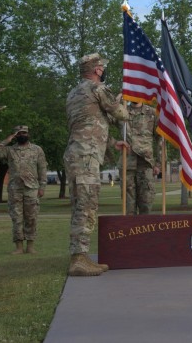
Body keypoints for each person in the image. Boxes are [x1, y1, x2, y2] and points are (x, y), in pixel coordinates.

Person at [64, 53, 129, 277]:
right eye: (102, 67)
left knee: (80, 205)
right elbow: (120, 114)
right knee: (87, 205)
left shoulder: (74, 93)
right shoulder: (97, 89)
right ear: (98, 70)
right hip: (86, 157)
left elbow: (89, 124)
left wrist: (112, 141)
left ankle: (80, 256)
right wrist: (122, 101)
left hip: (76, 153)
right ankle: (79, 260)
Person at [0, 125, 47, 255]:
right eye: (19, 133)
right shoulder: (9, 150)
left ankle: (30, 246)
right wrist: (7, 140)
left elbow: (42, 169)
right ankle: (19, 247)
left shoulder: (37, 150)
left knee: (31, 218)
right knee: (17, 218)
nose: (22, 135)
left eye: (24, 133)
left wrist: (42, 187)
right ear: (15, 135)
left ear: (28, 134)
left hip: (32, 189)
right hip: (15, 189)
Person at [119, 101, 163, 215]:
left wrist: (159, 163)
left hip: (146, 163)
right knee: (128, 207)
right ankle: (130, 232)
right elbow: (105, 119)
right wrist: (118, 99)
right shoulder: (121, 111)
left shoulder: (152, 113)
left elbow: (160, 139)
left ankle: (144, 232)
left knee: (146, 203)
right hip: (127, 163)